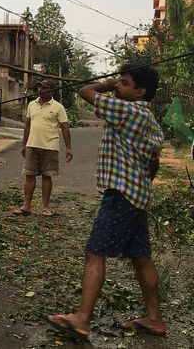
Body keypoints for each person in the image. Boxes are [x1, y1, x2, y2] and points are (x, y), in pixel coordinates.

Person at [47, 64, 166, 341]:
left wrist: (108, 83)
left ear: (140, 91)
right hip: (137, 197)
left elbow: (85, 91)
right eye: (120, 82)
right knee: (141, 258)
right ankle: (155, 319)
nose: (120, 87)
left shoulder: (126, 111)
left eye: (126, 83)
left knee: (95, 252)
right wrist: (143, 184)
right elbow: (154, 163)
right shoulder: (149, 119)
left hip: (121, 196)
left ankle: (81, 320)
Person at [16, 79, 72, 216]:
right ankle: (27, 206)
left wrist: (68, 147)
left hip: (50, 147)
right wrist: (24, 144)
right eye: (39, 87)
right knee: (29, 175)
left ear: (51, 91)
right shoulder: (31, 105)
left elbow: (65, 128)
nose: (40, 90)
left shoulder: (58, 107)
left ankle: (45, 207)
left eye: (44, 88)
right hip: (32, 145)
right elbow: (27, 125)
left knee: (47, 177)